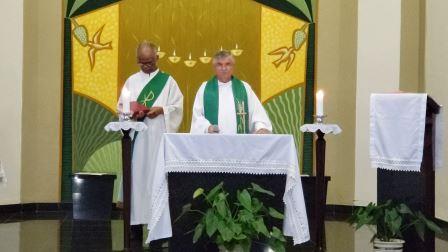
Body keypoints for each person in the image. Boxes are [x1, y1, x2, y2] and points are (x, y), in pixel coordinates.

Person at [117, 41, 183, 242]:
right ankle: (135, 226)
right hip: (137, 143)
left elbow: (178, 107)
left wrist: (161, 110)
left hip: (157, 140)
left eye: (149, 61)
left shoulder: (168, 81)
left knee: (157, 181)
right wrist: (131, 114)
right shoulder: (131, 81)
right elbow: (122, 108)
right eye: (141, 62)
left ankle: (158, 230)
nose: (145, 66)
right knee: (137, 182)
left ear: (157, 58)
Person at [190, 50, 272, 134]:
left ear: (233, 67)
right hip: (213, 143)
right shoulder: (205, 88)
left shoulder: (244, 88)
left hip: (239, 144)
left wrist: (261, 127)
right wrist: (207, 127)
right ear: (214, 68)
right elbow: (197, 116)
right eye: (219, 65)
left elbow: (257, 113)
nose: (224, 68)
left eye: (227, 64)